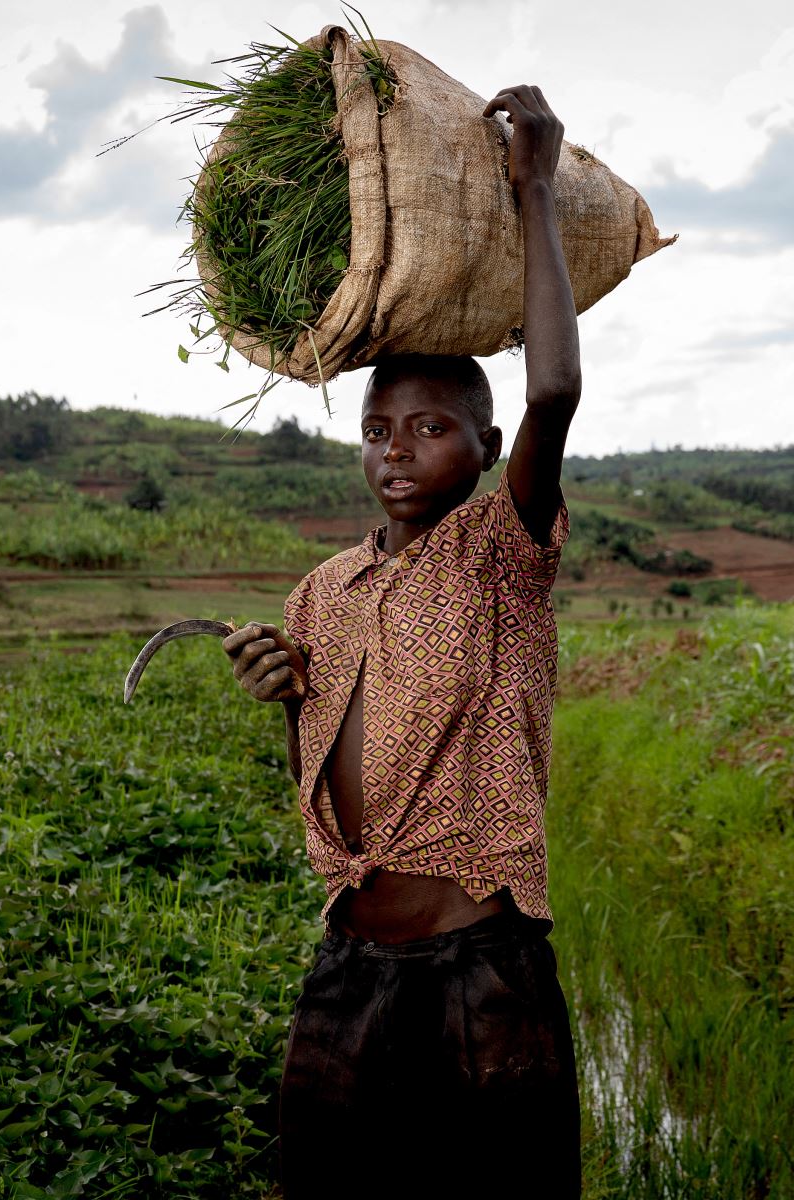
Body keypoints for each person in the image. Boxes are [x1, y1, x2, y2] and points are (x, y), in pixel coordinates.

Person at [222, 83, 583, 1197]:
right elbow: (322, 776)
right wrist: (285, 697)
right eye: (378, 429)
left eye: (431, 428)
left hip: (483, 975)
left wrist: (534, 187)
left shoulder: (500, 555)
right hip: (350, 968)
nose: (397, 451)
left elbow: (557, 389)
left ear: (482, 442)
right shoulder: (324, 589)